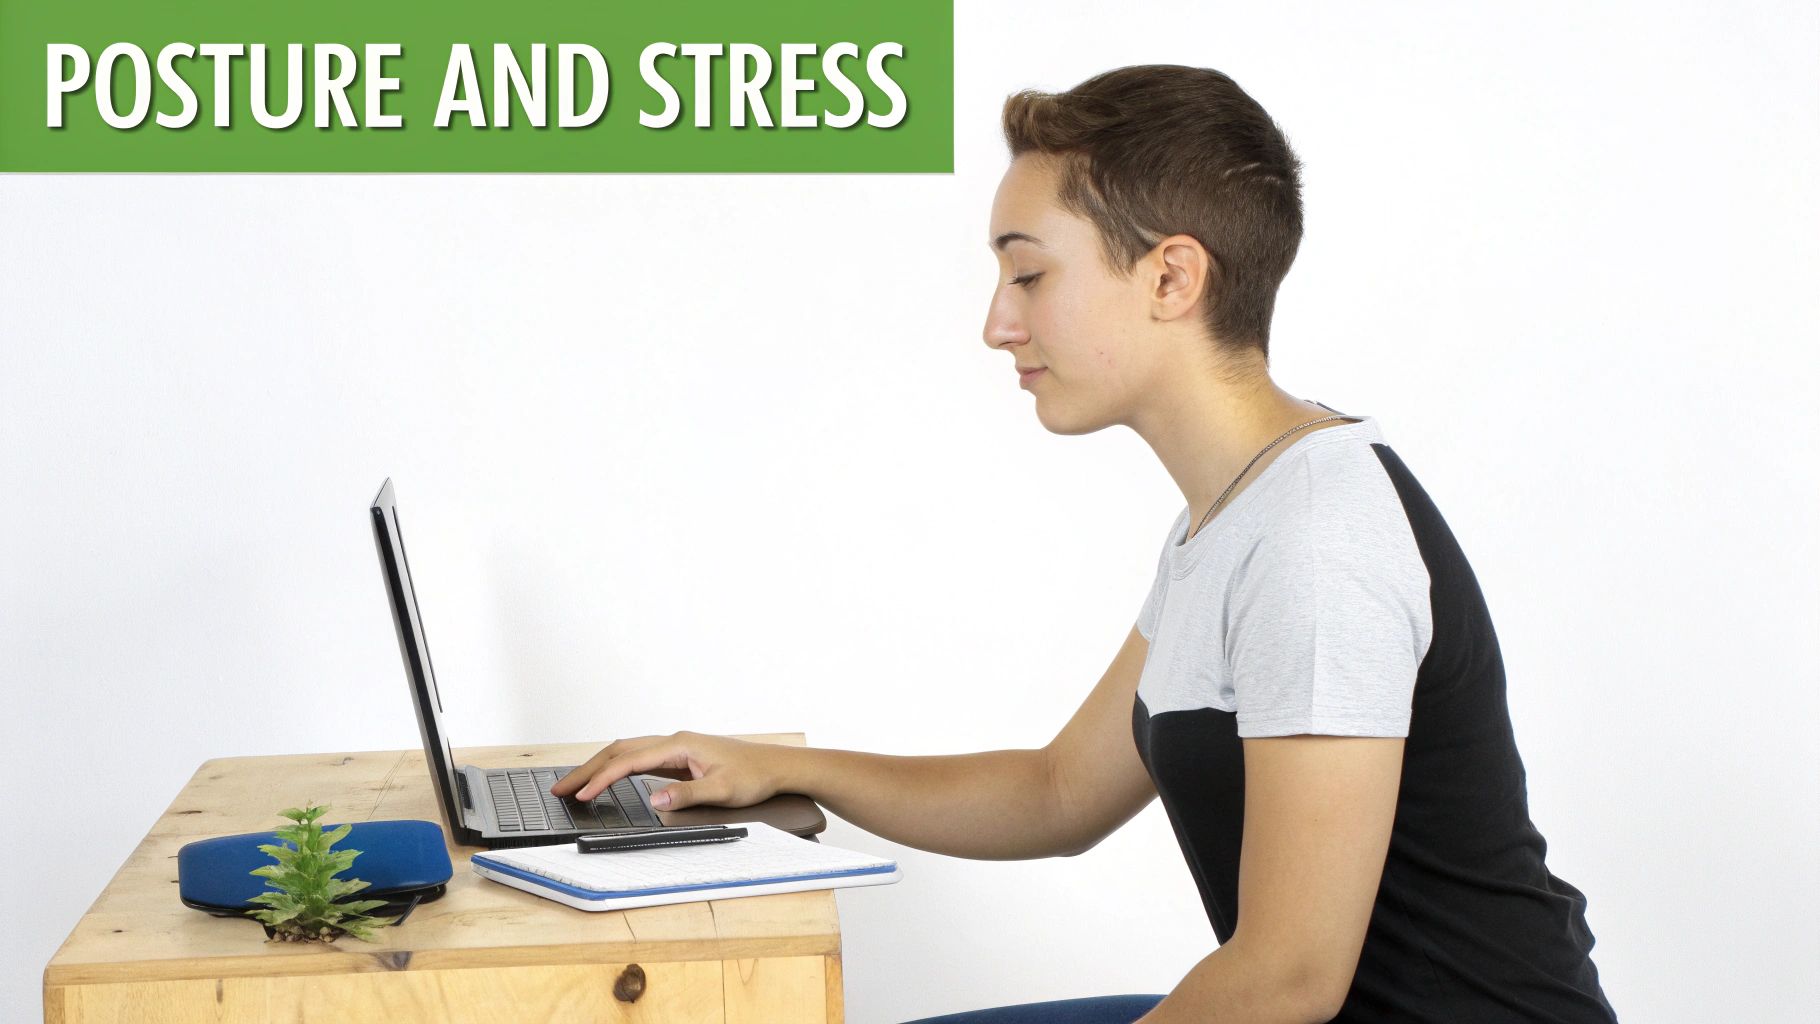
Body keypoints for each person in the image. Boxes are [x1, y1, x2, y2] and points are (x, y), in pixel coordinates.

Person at [551, 65, 1619, 1024]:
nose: (996, 324)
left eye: (1028, 275)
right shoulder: (1234, 516)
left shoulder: (1315, 541)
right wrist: (784, 766)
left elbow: (1287, 976)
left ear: (1170, 279)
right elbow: (1060, 791)